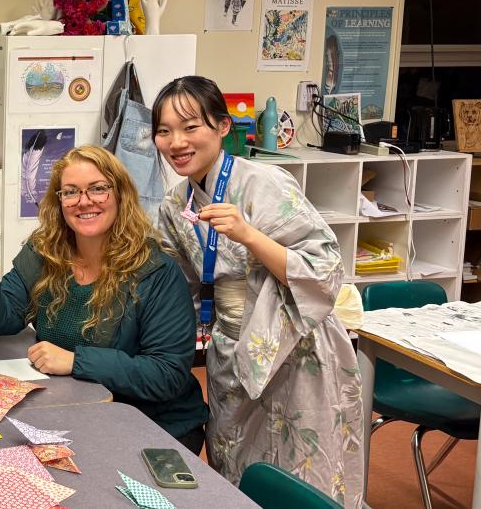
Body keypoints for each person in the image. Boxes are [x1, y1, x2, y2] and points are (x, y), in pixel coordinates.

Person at [152, 76, 363, 507]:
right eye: (164, 131)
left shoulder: (265, 182)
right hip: (230, 347)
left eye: (190, 127)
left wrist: (249, 235)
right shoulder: (175, 204)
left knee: (301, 464)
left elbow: (326, 267)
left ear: (222, 126)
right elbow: (176, 284)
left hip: (292, 344)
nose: (177, 142)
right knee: (235, 462)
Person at [0, 145, 209, 453]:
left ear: (120, 195)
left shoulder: (156, 270)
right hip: (76, 410)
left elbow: (165, 374)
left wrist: (76, 361)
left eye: (98, 189)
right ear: (59, 201)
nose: (84, 201)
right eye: (71, 192)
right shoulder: (45, 251)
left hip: (153, 426)